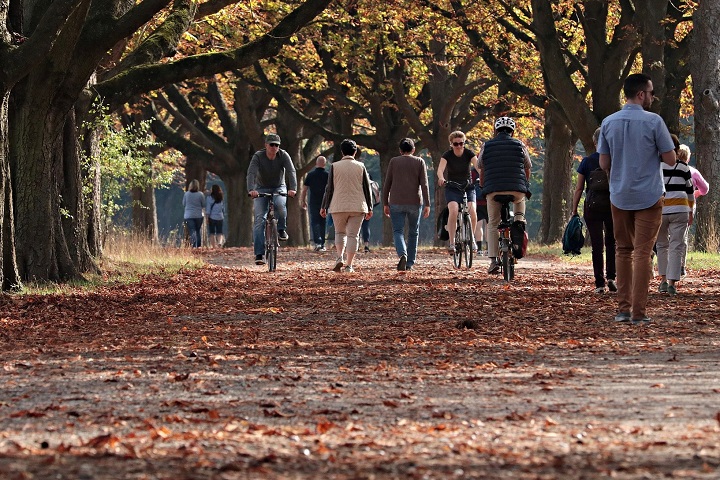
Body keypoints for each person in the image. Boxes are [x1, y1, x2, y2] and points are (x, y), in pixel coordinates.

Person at [598, 73, 676, 324]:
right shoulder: (654, 122)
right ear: (641, 94)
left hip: (619, 194)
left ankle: (623, 309)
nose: (653, 97)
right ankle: (639, 313)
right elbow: (671, 159)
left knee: (622, 250)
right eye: (651, 93)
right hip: (649, 194)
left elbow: (603, 162)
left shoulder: (608, 123)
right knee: (643, 252)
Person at [479, 117, 532, 274]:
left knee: (493, 224)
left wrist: (483, 186)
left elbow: (480, 167)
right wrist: (525, 183)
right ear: (512, 131)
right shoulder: (520, 145)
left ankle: (493, 261)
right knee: (519, 212)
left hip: (493, 189)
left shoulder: (486, 146)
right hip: (516, 190)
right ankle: (518, 231)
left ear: (495, 131)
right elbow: (527, 167)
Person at [572, 128, 616, 293]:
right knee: (612, 242)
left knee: (597, 245)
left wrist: (574, 209)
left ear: (594, 141)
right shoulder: (614, 160)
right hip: (612, 205)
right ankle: (612, 277)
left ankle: (599, 283)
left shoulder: (586, 162)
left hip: (592, 206)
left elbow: (578, 189)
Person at [320, 139, 373, 272]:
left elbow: (329, 188)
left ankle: (339, 257)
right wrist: (370, 207)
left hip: (338, 205)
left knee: (340, 232)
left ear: (342, 152)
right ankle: (349, 265)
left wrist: (324, 206)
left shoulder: (334, 166)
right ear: (355, 152)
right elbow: (367, 188)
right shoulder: (361, 166)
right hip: (357, 206)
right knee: (353, 235)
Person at [247, 133, 297, 265]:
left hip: (279, 187)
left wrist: (293, 188)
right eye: (271, 145)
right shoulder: (258, 156)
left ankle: (281, 229)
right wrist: (251, 189)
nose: (274, 147)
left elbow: (291, 171)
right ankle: (259, 254)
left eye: (276, 145)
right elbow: (251, 173)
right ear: (266, 145)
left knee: (280, 205)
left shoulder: (284, 155)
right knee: (259, 220)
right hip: (261, 188)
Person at [382, 138, 431, 271]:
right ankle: (410, 263)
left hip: (396, 201)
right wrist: (427, 204)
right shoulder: (420, 161)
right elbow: (424, 184)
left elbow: (387, 184)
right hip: (415, 202)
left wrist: (385, 203)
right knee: (413, 232)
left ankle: (402, 253)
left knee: (398, 231)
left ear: (400, 150)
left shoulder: (393, 161)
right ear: (413, 150)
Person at [656, 143, 694, 295]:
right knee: (676, 246)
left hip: (660, 210)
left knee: (661, 245)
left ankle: (663, 280)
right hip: (680, 209)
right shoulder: (684, 168)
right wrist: (690, 210)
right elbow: (690, 191)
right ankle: (672, 283)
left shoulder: (657, 166)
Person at [437, 131, 481, 255]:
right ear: (451, 144)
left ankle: (472, 239)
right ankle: (452, 243)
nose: (459, 146)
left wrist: (482, 176)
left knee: (472, 210)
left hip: (468, 186)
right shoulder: (447, 155)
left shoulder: (469, 153)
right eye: (456, 144)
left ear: (464, 143)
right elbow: (440, 169)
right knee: (454, 209)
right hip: (452, 186)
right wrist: (441, 178)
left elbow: (478, 166)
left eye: (461, 143)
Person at [300, 156, 329, 252]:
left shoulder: (310, 175)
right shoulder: (328, 175)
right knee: (322, 222)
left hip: (313, 201)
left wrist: (303, 200)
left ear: (316, 163)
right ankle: (323, 243)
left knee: (314, 221)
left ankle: (317, 242)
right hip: (324, 202)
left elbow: (304, 189)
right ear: (324, 164)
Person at [183, 179, 206, 248]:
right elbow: (203, 204)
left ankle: (194, 245)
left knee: (192, 231)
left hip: (189, 215)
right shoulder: (200, 194)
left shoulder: (186, 194)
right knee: (198, 231)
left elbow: (184, 203)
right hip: (198, 215)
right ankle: (198, 246)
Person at [471, 169, 488, 255]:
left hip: (477, 202)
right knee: (489, 226)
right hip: (489, 200)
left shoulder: (473, 171)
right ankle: (489, 248)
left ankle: (479, 249)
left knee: (478, 226)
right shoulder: (489, 167)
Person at [205, 184, 225, 248]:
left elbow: (208, 209)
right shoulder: (221, 197)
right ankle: (219, 243)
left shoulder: (209, 198)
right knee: (220, 232)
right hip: (220, 217)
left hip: (212, 217)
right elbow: (223, 208)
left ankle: (213, 246)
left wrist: (207, 218)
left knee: (212, 232)